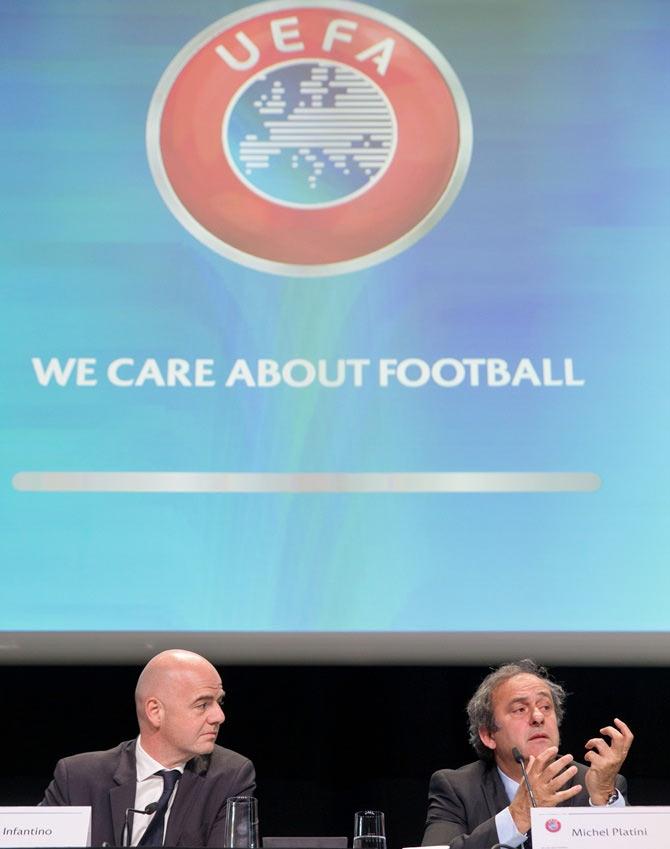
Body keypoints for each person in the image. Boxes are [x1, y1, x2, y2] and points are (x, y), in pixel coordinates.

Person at [41, 649, 255, 847]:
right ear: (155, 712)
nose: (219, 716)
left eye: (220, 702)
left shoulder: (230, 776)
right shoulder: (77, 777)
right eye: (202, 705)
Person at [422, 659, 633, 849]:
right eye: (520, 709)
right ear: (488, 735)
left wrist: (604, 800)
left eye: (546, 706)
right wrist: (519, 815)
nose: (538, 716)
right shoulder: (457, 788)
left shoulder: (594, 784)